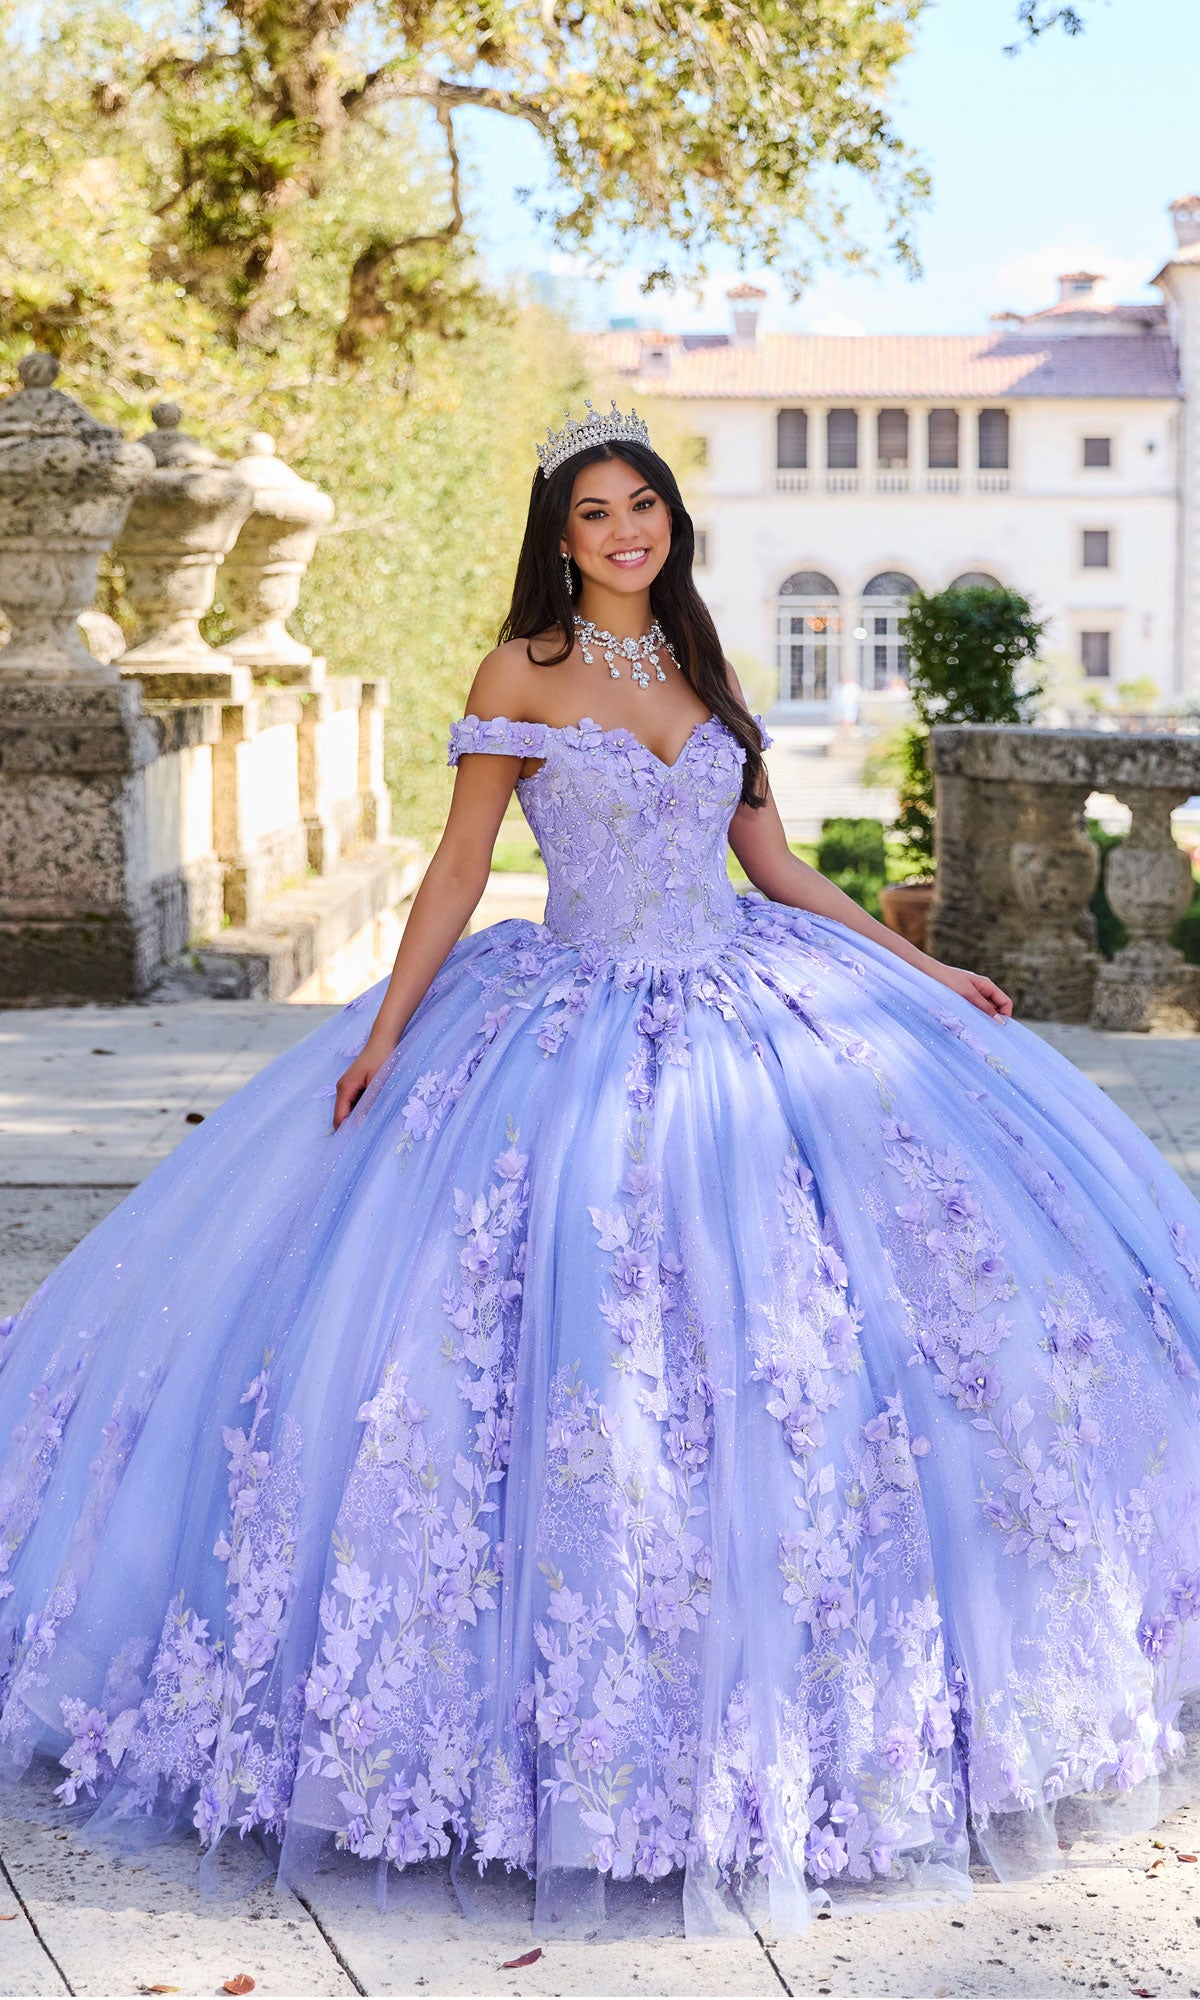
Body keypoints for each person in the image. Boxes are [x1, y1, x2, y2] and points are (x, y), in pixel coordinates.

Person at [1, 403, 1199, 1942]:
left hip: (742, 996)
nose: (627, 532)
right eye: (596, 515)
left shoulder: (705, 669)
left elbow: (769, 868)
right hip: (568, 1014)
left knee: (858, 1327)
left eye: (644, 507)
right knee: (558, 1352)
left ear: (668, 523)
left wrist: (914, 961)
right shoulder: (525, 673)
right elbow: (452, 868)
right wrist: (385, 1028)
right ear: (558, 539)